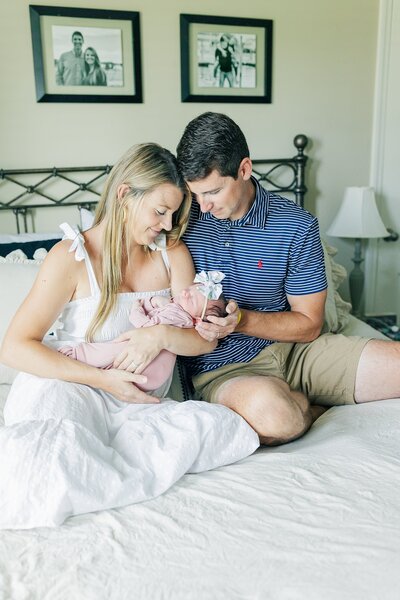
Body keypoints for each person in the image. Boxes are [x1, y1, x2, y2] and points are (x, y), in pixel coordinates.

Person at [0, 143, 259, 528]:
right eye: (160, 211)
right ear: (124, 194)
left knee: (225, 429)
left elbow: (204, 339)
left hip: (138, 403)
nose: (168, 224)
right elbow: (14, 348)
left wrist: (160, 335)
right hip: (72, 386)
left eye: (174, 214)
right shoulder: (71, 257)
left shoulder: (171, 254)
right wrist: (104, 379)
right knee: (51, 457)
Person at [176, 111, 400, 447]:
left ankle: (298, 397)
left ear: (244, 169)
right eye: (196, 194)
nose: (203, 206)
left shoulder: (297, 225)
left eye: (214, 192)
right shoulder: (181, 220)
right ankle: (306, 405)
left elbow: (309, 324)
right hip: (227, 369)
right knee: (277, 418)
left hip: (299, 352)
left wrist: (239, 320)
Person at [58, 275, 227, 396]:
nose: (184, 293)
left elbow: (146, 327)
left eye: (190, 299)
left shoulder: (178, 317)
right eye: (189, 290)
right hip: (152, 376)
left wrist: (136, 308)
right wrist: (155, 301)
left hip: (149, 367)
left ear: (199, 318)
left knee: (113, 348)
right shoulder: (178, 310)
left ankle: (78, 355)